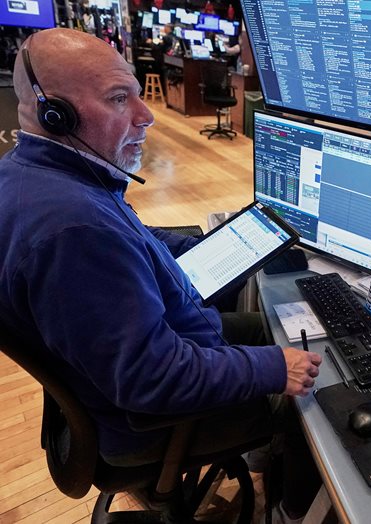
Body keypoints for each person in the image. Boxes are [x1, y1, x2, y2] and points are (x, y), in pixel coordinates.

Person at [0, 28, 322, 523]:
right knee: (318, 399)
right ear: (54, 113)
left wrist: (199, 249)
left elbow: (129, 235)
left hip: (155, 352)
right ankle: (288, 509)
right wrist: (276, 369)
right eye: (118, 98)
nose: (145, 114)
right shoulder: (74, 231)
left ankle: (264, 456)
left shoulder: (37, 173)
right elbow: (153, 379)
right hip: (147, 422)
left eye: (135, 92)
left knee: (271, 328)